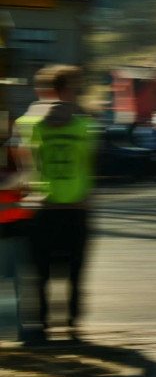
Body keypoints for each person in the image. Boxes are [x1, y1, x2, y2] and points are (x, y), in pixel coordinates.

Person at [14, 65, 95, 342]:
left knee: (39, 274)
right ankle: (71, 327)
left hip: (41, 208)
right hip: (76, 208)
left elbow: (21, 163)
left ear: (44, 90)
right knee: (74, 274)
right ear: (69, 90)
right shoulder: (86, 126)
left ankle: (41, 329)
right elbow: (88, 164)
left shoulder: (27, 124)